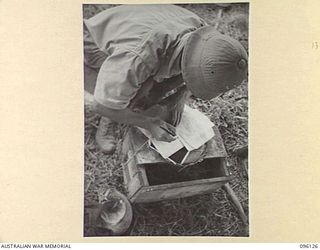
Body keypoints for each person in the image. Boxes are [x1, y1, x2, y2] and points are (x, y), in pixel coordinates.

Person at [84, 4, 248, 154]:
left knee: (149, 92)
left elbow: (196, 71)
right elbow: (100, 106)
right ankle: (110, 119)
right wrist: (149, 124)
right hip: (93, 43)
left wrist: (179, 98)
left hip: (136, 33)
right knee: (128, 95)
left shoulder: (207, 41)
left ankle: (134, 100)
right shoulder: (138, 57)